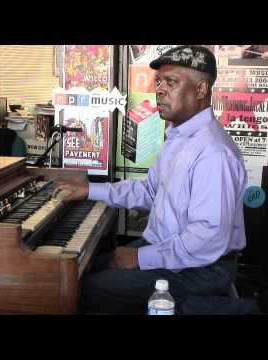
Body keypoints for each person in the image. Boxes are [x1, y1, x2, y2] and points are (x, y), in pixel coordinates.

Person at [53, 45, 248, 314]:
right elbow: (147, 192)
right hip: (167, 248)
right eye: (158, 81)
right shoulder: (177, 137)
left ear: (201, 90)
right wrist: (88, 190)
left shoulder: (213, 153)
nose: (160, 89)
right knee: (82, 265)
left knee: (83, 289)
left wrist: (140, 257)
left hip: (202, 268)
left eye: (172, 82)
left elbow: (206, 238)